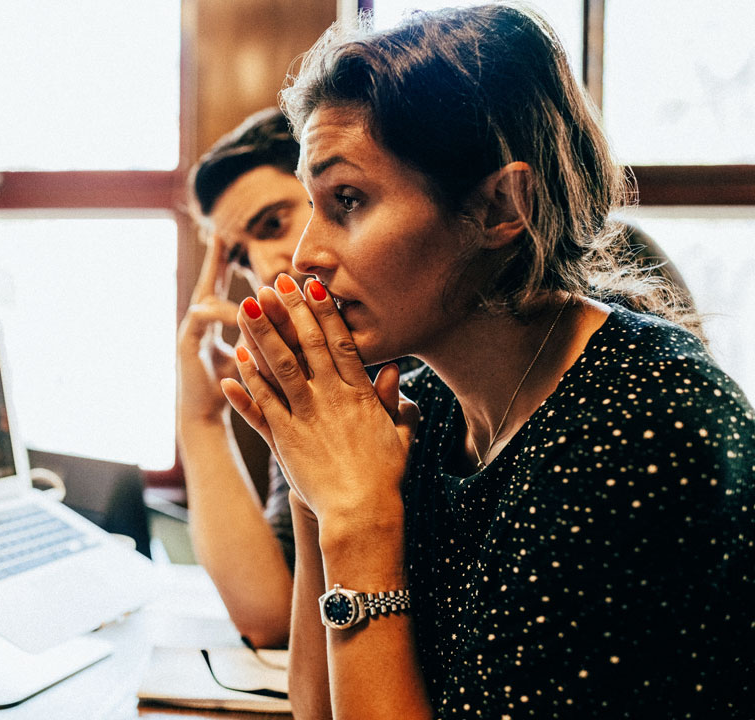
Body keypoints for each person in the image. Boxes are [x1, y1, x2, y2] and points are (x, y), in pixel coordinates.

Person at [220, 5, 753, 719]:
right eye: (313, 206)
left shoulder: (648, 430)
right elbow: (319, 712)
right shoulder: (434, 404)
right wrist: (317, 483)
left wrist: (359, 520)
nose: (306, 254)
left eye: (348, 200)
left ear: (502, 206)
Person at [177, 107, 307, 648]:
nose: (267, 269)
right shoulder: (309, 377)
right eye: (244, 259)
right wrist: (202, 417)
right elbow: (270, 617)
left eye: (274, 225)